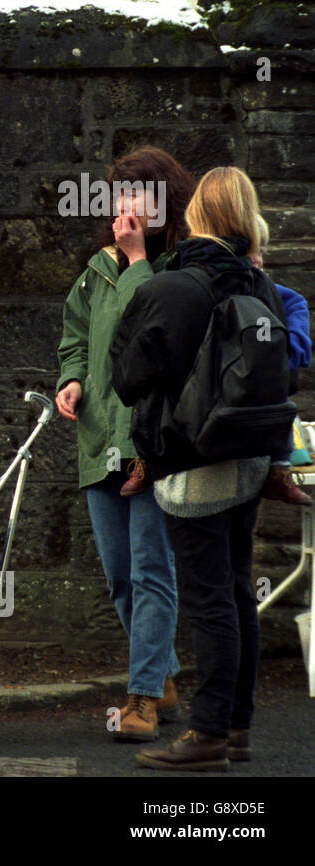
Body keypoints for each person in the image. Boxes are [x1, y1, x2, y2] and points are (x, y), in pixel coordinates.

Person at [111, 166, 289, 770]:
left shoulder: (172, 289)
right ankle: (237, 728)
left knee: (210, 597)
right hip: (250, 459)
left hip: (192, 467)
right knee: (238, 591)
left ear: (195, 215)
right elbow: (285, 371)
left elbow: (128, 377)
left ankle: (207, 734)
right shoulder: (260, 289)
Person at [55, 146, 194, 742]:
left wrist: (138, 257)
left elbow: (156, 328)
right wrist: (72, 380)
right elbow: (75, 338)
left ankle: (141, 698)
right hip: (99, 440)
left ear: (164, 202)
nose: (124, 206)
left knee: (150, 570)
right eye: (120, 195)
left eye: (137, 194)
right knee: (118, 574)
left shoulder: (179, 268)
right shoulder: (96, 269)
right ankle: (162, 674)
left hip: (152, 441)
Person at [250, 214, 312, 506]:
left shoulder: (274, 293)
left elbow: (296, 310)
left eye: (262, 250)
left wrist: (281, 356)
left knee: (281, 405)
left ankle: (279, 471)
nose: (259, 259)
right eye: (252, 250)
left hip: (267, 393)